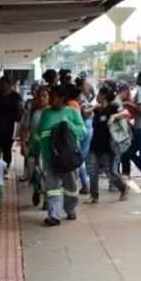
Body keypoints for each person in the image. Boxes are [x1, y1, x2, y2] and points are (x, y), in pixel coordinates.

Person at [37, 85, 87, 226]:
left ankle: (70, 209)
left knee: (71, 186)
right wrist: (38, 151)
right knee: (52, 188)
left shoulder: (72, 112)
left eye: (53, 97)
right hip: (50, 158)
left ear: (62, 98)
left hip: (68, 158)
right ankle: (53, 215)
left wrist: (69, 125)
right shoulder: (46, 114)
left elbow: (83, 131)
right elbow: (39, 134)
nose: (50, 100)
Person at [85, 85, 130, 204]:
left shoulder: (113, 107)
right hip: (95, 144)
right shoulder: (97, 109)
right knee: (92, 171)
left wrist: (114, 116)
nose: (97, 97)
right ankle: (94, 196)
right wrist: (91, 108)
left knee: (110, 172)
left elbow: (126, 113)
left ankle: (124, 188)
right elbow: (85, 114)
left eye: (98, 94)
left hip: (108, 146)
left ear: (103, 95)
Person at [0, 76, 23, 172]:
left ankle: (6, 168)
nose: (0, 86)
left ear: (9, 85)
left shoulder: (16, 97)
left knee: (7, 149)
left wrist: (19, 117)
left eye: (3, 84)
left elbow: (19, 114)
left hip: (8, 128)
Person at [25, 86, 50, 206]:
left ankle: (46, 199)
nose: (42, 98)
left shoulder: (51, 112)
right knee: (32, 172)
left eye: (44, 96)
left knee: (46, 174)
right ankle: (36, 189)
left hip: (47, 149)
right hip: (33, 148)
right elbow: (24, 129)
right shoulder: (32, 112)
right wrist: (23, 145)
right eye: (40, 96)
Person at [64, 83, 90, 195]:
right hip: (78, 134)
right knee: (79, 159)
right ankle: (84, 184)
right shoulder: (74, 103)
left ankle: (84, 184)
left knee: (78, 160)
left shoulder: (71, 104)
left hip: (74, 135)